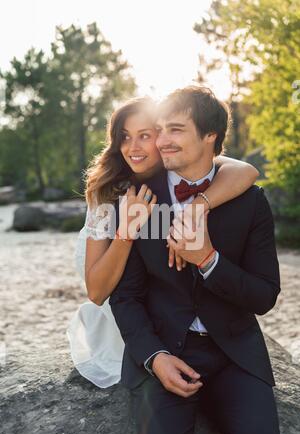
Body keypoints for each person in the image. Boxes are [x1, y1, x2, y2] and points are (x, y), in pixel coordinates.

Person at [108, 87, 282, 434]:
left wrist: (208, 260)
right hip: (165, 349)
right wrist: (155, 358)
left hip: (234, 353)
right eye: (160, 128)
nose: (161, 141)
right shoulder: (142, 200)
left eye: (175, 130)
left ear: (210, 136)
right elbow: (125, 296)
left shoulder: (251, 202)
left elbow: (264, 295)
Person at [67, 95, 259, 389]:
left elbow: (246, 171)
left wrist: (191, 212)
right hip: (126, 316)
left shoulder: (179, 167)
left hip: (175, 312)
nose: (133, 148)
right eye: (125, 137)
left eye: (145, 136)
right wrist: (127, 230)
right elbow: (96, 291)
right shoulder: (106, 193)